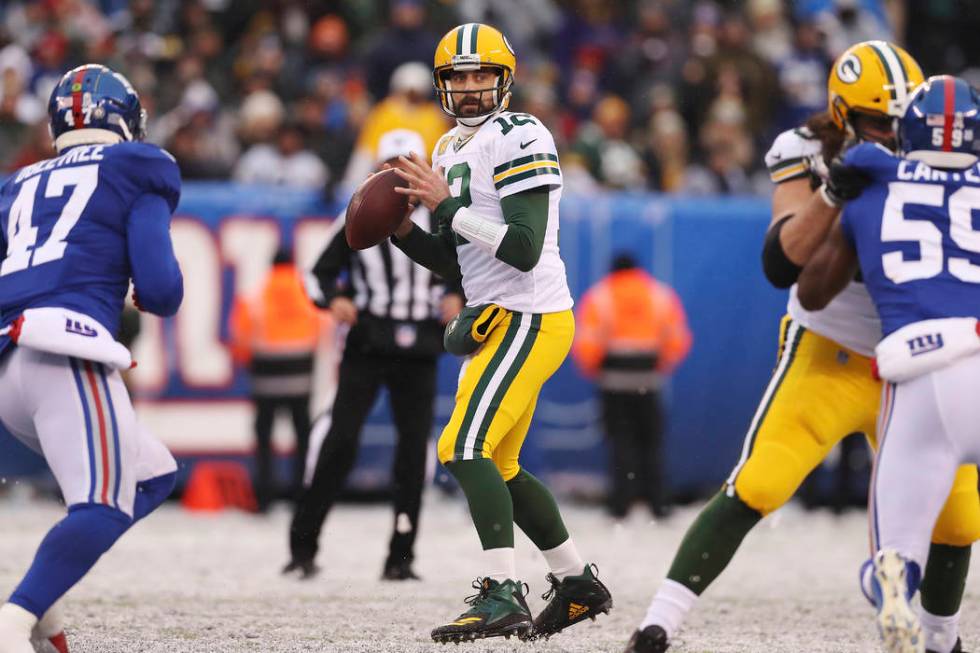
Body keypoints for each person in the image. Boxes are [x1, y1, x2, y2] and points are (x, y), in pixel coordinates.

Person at [624, 42, 980, 653]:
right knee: (760, 482)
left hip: (921, 364)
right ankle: (658, 622)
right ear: (841, 115)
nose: (896, 134)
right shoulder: (808, 153)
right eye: (878, 122)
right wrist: (834, 193)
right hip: (834, 350)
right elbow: (783, 267)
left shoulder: (946, 152)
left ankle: (942, 639)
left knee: (958, 518)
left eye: (906, 119)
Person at [388, 23, 613, 644]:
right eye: (457, 77)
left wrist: (445, 208)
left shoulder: (521, 133)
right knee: (502, 465)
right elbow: (458, 260)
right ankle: (575, 582)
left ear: (504, 79)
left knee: (462, 447)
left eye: (480, 74)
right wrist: (403, 232)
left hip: (530, 313)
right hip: (499, 316)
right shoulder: (447, 150)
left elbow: (521, 246)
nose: (469, 88)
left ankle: (501, 592)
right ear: (441, 85)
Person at [0, 64, 182, 653]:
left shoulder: (16, 183)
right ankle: (13, 620)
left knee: (152, 474)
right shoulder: (138, 165)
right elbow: (161, 290)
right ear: (128, 119)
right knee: (103, 506)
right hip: (64, 347)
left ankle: (43, 600)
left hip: (6, 357)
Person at [796, 75, 980, 653]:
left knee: (895, 548)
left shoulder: (874, 181)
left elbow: (810, 294)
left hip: (922, 366)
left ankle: (894, 577)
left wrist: (843, 190)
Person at [284, 129, 463, 582]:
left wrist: (460, 298)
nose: (399, 176)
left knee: (412, 451)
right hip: (368, 339)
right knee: (340, 440)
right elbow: (314, 275)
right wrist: (332, 301)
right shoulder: (358, 216)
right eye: (391, 166)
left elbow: (472, 269)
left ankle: (401, 556)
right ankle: (303, 547)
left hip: (421, 343)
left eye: (407, 165)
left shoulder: (442, 217)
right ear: (375, 170)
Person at [572, 253, 692, 518]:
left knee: (620, 444)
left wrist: (594, 368)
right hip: (648, 382)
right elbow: (677, 339)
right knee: (652, 443)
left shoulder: (600, 296)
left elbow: (587, 344)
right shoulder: (660, 295)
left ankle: (621, 505)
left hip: (614, 382)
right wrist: (660, 364)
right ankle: (659, 505)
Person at [229, 249, 324, 511]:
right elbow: (321, 330)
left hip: (265, 380)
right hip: (301, 379)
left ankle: (264, 497)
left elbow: (240, 339)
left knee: (264, 437)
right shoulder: (306, 294)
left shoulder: (255, 296)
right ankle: (301, 494)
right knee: (303, 437)